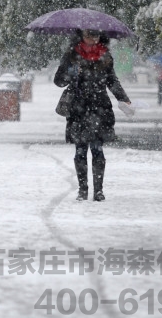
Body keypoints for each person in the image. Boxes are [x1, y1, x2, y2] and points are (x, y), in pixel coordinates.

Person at [54, 29, 131, 202]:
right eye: (89, 36)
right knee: (80, 150)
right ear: (81, 36)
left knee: (98, 150)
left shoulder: (105, 56)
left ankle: (98, 190)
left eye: (96, 36)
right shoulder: (71, 56)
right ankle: (83, 189)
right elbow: (58, 81)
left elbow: (112, 80)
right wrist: (72, 72)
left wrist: (123, 98)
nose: (93, 39)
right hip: (78, 108)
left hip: (99, 107)